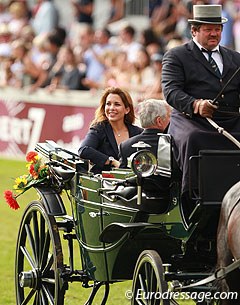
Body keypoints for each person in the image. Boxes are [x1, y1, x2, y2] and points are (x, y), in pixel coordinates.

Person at [161, 4, 240, 201]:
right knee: (193, 138)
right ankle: (194, 198)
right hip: (192, 119)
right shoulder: (176, 55)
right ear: (194, 31)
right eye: (208, 29)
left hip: (231, 119)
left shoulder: (235, 58)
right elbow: (170, 91)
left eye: (217, 29)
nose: (214, 33)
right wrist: (196, 104)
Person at [78, 87, 143, 174]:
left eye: (117, 104)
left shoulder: (138, 132)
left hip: (131, 183)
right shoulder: (99, 128)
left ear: (127, 110)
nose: (111, 108)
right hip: (104, 183)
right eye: (108, 104)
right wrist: (111, 161)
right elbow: (84, 150)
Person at [119, 99, 171, 168]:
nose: (171, 120)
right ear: (159, 121)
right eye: (169, 116)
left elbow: (123, 175)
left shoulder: (125, 146)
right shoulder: (172, 145)